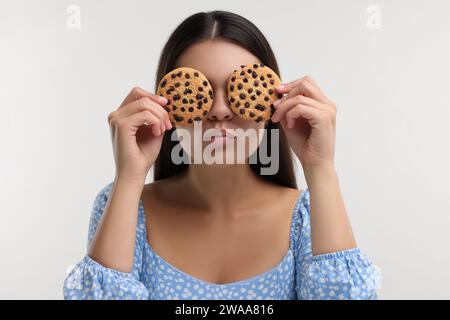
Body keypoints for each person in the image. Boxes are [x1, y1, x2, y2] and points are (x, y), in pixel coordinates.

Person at [63, 10, 381, 300]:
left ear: (273, 100)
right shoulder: (125, 207)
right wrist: (129, 177)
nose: (218, 111)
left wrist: (320, 167)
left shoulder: (308, 217)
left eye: (237, 89)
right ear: (166, 103)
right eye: (197, 92)